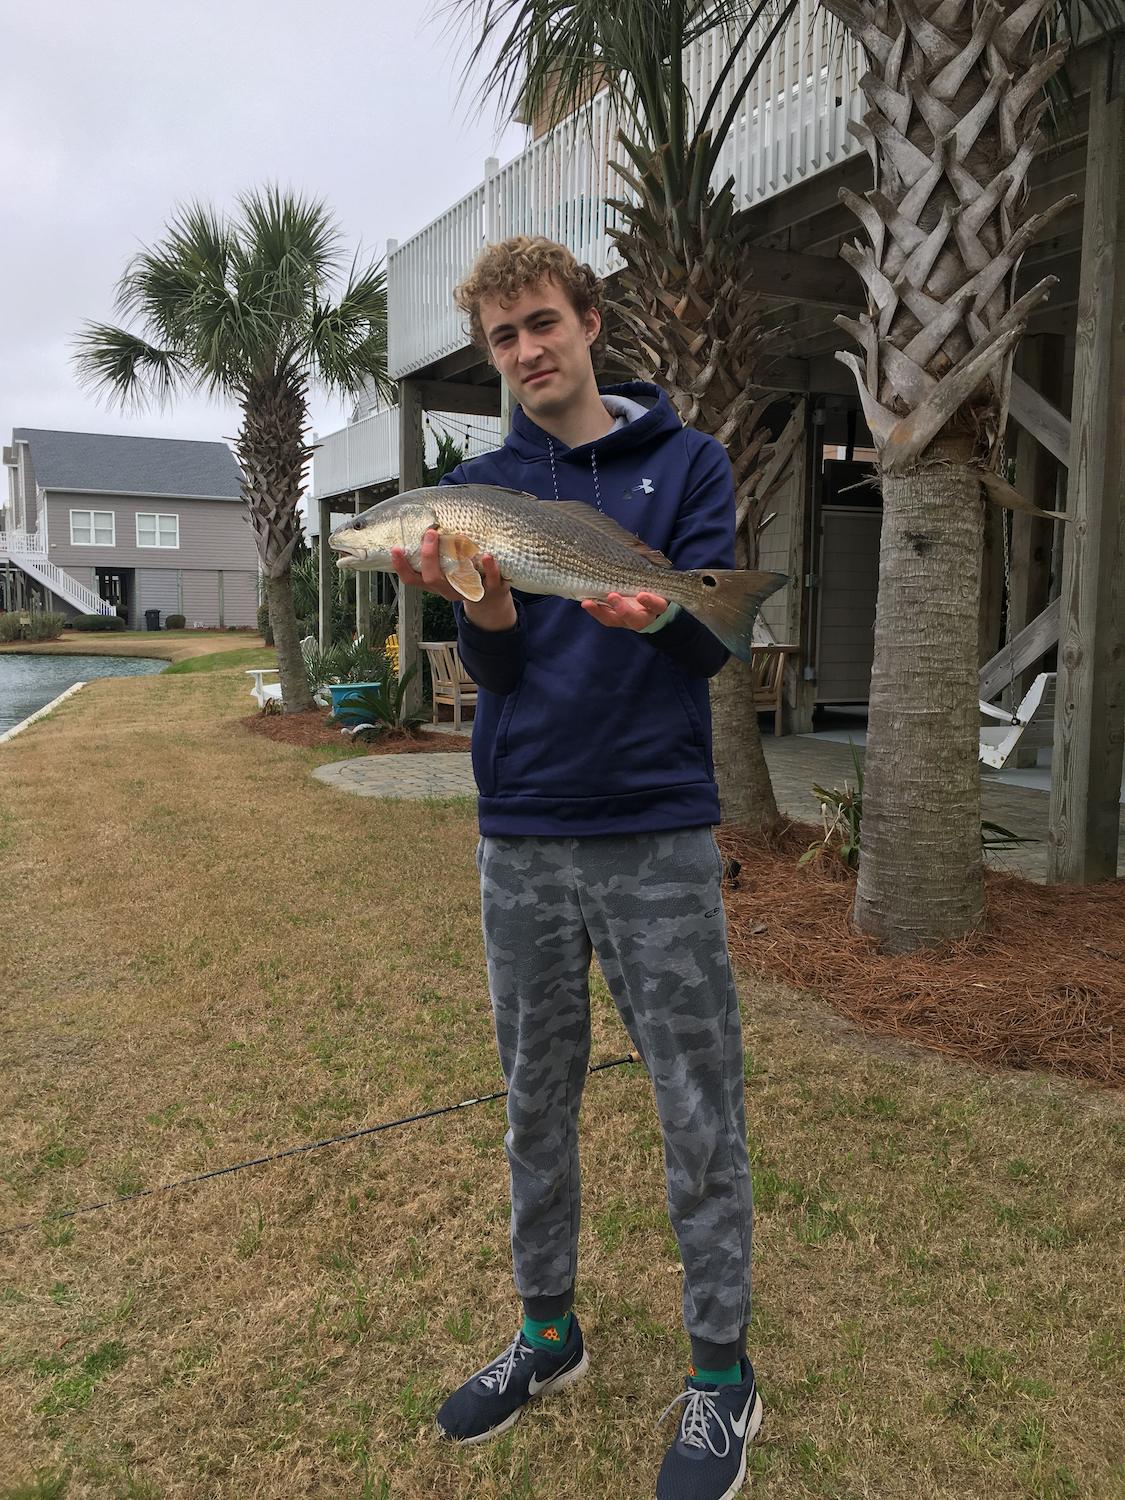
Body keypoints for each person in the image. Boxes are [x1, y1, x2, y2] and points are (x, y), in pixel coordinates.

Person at [390, 236, 759, 1500]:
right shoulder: (481, 489)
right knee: (532, 1104)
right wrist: (484, 613)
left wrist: (657, 609)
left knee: (695, 1107)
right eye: (503, 339)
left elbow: (711, 657)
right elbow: (492, 674)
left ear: (591, 321)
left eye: (543, 323)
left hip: (656, 831)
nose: (528, 351)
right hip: (524, 836)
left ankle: (723, 1377)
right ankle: (548, 1337)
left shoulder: (687, 465)